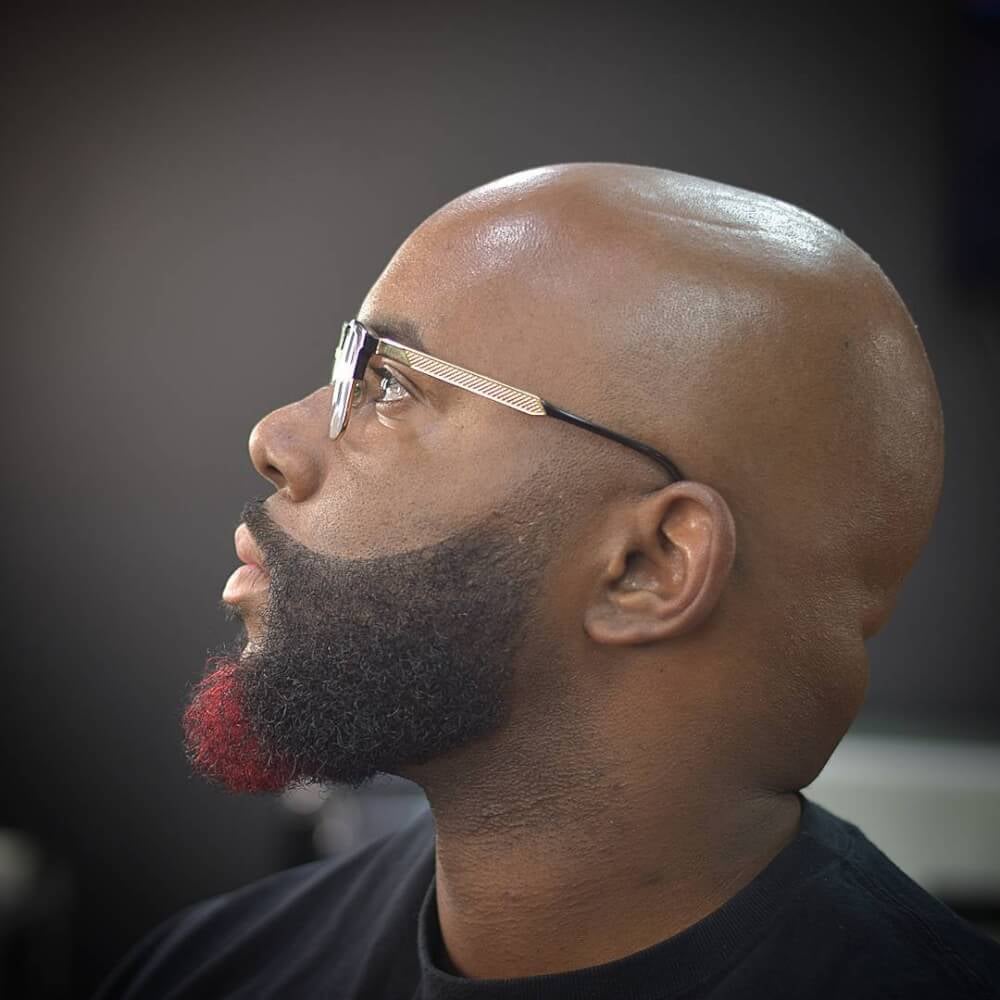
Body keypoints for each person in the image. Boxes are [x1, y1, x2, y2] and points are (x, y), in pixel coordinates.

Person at [96, 163, 1000, 999]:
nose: (275, 439)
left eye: (391, 384)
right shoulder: (202, 973)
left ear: (648, 566)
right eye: (350, 370)